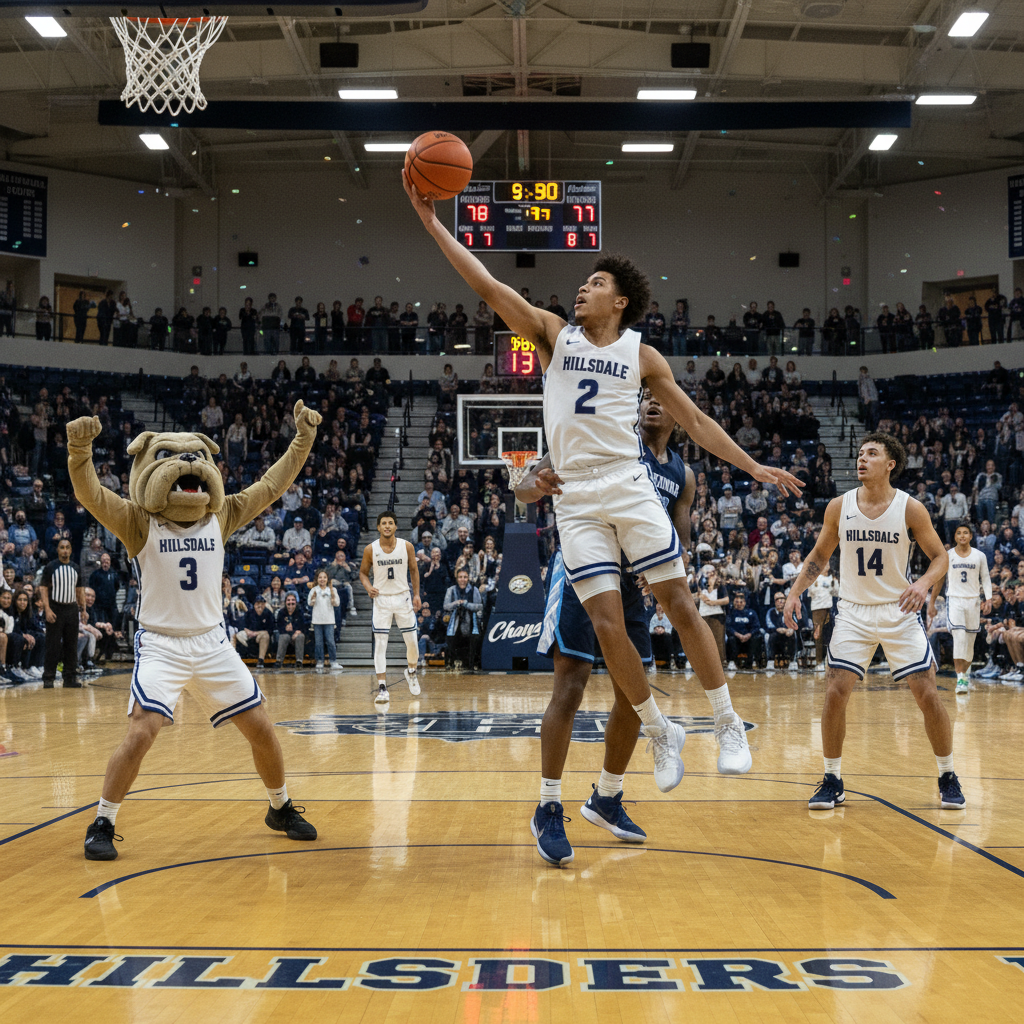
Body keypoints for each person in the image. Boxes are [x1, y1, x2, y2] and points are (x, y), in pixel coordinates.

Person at [405, 171, 800, 801]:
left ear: (619, 302)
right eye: (583, 283)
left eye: (595, 284)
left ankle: (726, 721)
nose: (582, 288)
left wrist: (754, 467)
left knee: (677, 601)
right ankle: (658, 728)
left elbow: (694, 422)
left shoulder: (643, 355)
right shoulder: (551, 334)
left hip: (626, 480)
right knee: (607, 625)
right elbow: (486, 283)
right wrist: (431, 223)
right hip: (575, 497)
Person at [67, 400, 323, 861]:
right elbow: (92, 495)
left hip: (211, 641)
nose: (187, 469)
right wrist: (79, 451)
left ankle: (279, 807)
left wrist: (302, 439)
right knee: (142, 732)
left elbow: (272, 484)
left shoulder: (219, 516)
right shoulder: (137, 520)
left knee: (262, 728)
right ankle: (102, 820)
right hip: (161, 643)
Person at [517, 390, 755, 866]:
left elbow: (679, 532)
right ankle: (547, 805)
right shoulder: (608, 434)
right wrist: (534, 483)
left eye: (659, 399)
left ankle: (607, 796)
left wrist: (667, 569)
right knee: (572, 684)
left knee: (633, 690)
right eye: (643, 397)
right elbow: (524, 485)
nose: (649, 403)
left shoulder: (682, 475)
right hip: (583, 572)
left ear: (678, 415)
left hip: (634, 581)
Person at [783, 432, 966, 811]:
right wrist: (795, 592)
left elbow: (940, 557)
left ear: (891, 464)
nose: (862, 459)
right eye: (861, 453)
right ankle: (832, 779)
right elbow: (819, 554)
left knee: (928, 694)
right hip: (853, 611)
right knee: (835, 692)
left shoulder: (910, 508)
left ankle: (948, 774)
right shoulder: (839, 505)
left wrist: (923, 583)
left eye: (872, 454)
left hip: (898, 610)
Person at [359, 510, 421, 705]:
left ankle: (411, 672)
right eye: (383, 523)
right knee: (380, 645)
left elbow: (414, 570)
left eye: (390, 523)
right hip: (382, 601)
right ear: (378, 527)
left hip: (403, 598)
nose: (387, 526)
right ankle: (382, 688)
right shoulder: (370, 549)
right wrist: (369, 587)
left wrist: (417, 594)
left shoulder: (407, 546)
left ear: (395, 526)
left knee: (412, 643)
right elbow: (362, 573)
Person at [932, 521, 991, 694]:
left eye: (966, 532)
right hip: (955, 600)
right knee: (959, 637)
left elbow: (985, 578)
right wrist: (932, 600)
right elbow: (940, 578)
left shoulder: (979, 556)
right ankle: (960, 680)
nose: (962, 535)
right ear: (955, 536)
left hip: (973, 601)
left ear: (971, 536)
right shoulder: (948, 555)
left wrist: (988, 599)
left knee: (969, 643)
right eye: (959, 533)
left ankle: (966, 673)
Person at [39, 538, 85, 688]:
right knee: (52, 644)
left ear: (71, 550)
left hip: (71, 609)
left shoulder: (76, 568)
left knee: (71, 645)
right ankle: (48, 677)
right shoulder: (50, 567)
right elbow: (43, 588)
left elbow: (79, 590)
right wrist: (47, 609)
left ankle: (70, 677)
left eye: (67, 547)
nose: (65, 550)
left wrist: (83, 609)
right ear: (58, 550)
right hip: (55, 608)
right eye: (62, 547)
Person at [307, 569, 343, 672]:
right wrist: (313, 599)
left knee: (330, 641)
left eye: (324, 577)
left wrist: (333, 599)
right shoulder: (314, 590)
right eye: (320, 577)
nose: (322, 579)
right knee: (318, 642)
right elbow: (309, 603)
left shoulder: (332, 590)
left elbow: (337, 603)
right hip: (317, 620)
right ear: (317, 579)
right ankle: (320, 661)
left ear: (327, 579)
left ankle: (333, 661)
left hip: (329, 620)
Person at [275, 591, 306, 671]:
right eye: (288, 600)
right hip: (285, 635)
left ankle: (299, 661)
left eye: (292, 600)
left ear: (296, 602)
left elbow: (303, 625)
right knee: (284, 637)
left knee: (301, 636)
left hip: (296, 635)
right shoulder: (281, 612)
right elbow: (279, 627)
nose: (290, 602)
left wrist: (297, 631)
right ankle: (279, 661)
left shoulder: (299, 611)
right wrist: (285, 629)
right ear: (285, 602)